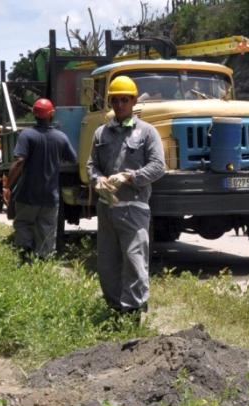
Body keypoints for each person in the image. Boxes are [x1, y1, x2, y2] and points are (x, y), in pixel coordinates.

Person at [86, 76, 165, 319]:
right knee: (107, 264)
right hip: (107, 208)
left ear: (133, 101)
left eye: (124, 99)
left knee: (134, 261)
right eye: (115, 100)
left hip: (134, 208)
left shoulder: (147, 132)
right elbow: (91, 165)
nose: (119, 104)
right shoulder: (101, 133)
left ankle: (133, 312)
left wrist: (129, 177)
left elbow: (158, 166)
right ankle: (115, 310)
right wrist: (97, 179)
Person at [6, 98, 77, 261]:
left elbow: (18, 161)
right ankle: (43, 262)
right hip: (50, 197)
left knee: (24, 224)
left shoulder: (27, 135)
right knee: (46, 229)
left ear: (34, 113)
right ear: (51, 114)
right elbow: (72, 159)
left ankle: (25, 258)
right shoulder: (61, 137)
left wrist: (7, 185)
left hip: (27, 195)